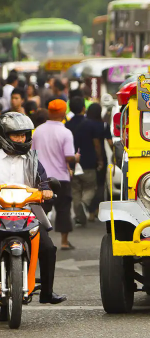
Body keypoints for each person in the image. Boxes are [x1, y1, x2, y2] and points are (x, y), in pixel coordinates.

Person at [0, 112, 67, 304]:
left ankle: (46, 292)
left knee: (48, 248)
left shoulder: (32, 159)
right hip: (0, 212)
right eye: (16, 135)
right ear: (4, 135)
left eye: (24, 135)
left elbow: (44, 181)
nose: (21, 139)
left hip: (27, 212)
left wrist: (46, 189)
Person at [31, 100, 79, 250]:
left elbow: (32, 154)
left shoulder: (38, 131)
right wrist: (76, 158)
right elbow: (69, 156)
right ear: (64, 113)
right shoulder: (65, 132)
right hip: (61, 177)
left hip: (41, 178)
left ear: (49, 112)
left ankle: (40, 239)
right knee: (63, 209)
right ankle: (64, 242)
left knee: (41, 210)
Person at [65, 99, 104, 225]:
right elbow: (96, 144)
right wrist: (100, 159)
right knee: (90, 187)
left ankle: (79, 217)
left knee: (75, 190)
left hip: (72, 163)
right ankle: (85, 202)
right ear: (83, 108)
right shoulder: (90, 124)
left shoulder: (67, 125)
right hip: (88, 162)